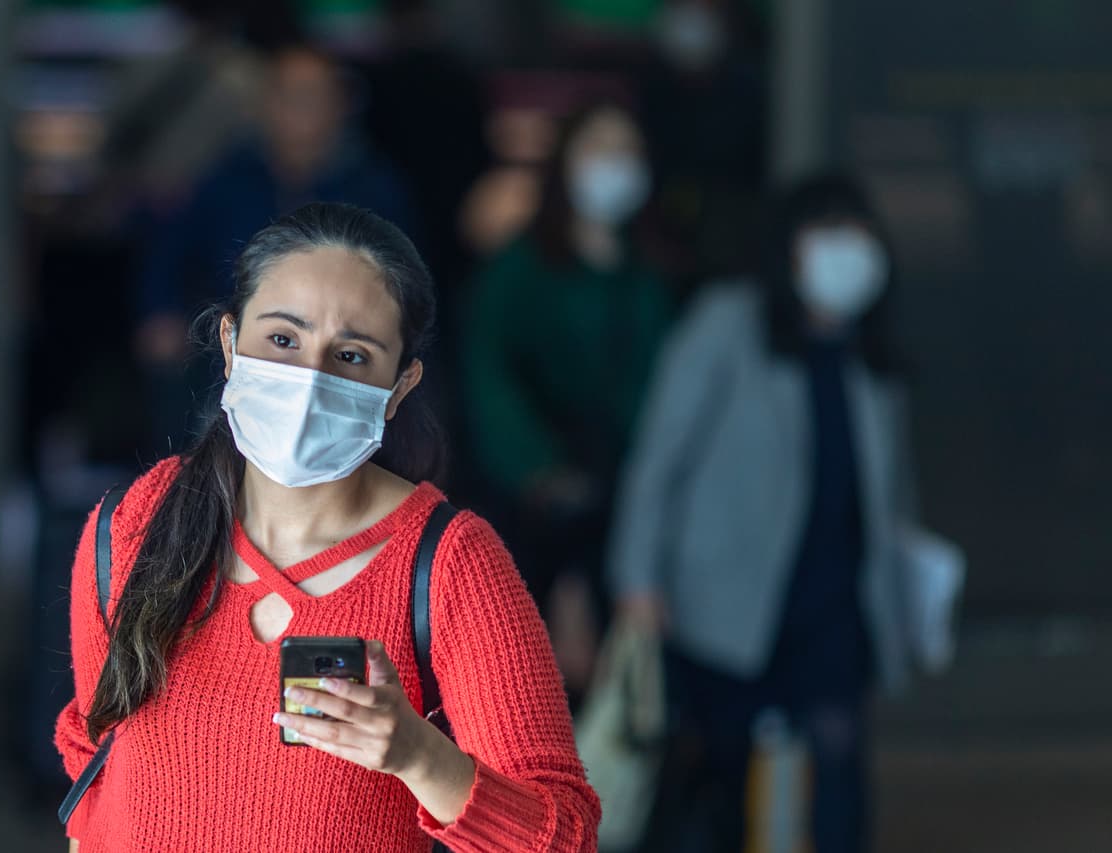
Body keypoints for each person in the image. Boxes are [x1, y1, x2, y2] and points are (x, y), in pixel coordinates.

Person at [55, 203, 599, 852]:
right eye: (283, 339)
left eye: (351, 355)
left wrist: (419, 755)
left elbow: (563, 836)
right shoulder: (134, 524)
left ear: (399, 387)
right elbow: (93, 762)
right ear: (230, 344)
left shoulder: (450, 566)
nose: (309, 381)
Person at [608, 175, 918, 853]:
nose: (848, 251)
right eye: (826, 232)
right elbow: (661, 456)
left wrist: (906, 595)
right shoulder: (729, 321)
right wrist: (637, 576)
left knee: (840, 778)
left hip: (836, 597)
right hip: (727, 599)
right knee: (721, 780)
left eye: (858, 233)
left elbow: (890, 490)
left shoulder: (871, 352)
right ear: (788, 247)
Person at [460, 102, 673, 692]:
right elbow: (489, 377)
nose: (616, 167)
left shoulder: (654, 271)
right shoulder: (519, 266)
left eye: (628, 152)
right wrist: (541, 470)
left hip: (631, 500)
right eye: (600, 150)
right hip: (533, 504)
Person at [133, 42, 414, 452]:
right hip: (234, 347)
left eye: (312, 96)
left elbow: (406, 282)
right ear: (266, 104)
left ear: (340, 104)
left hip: (334, 352)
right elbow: (170, 249)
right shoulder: (229, 175)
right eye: (287, 95)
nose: (299, 109)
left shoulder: (372, 185)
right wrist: (158, 310)